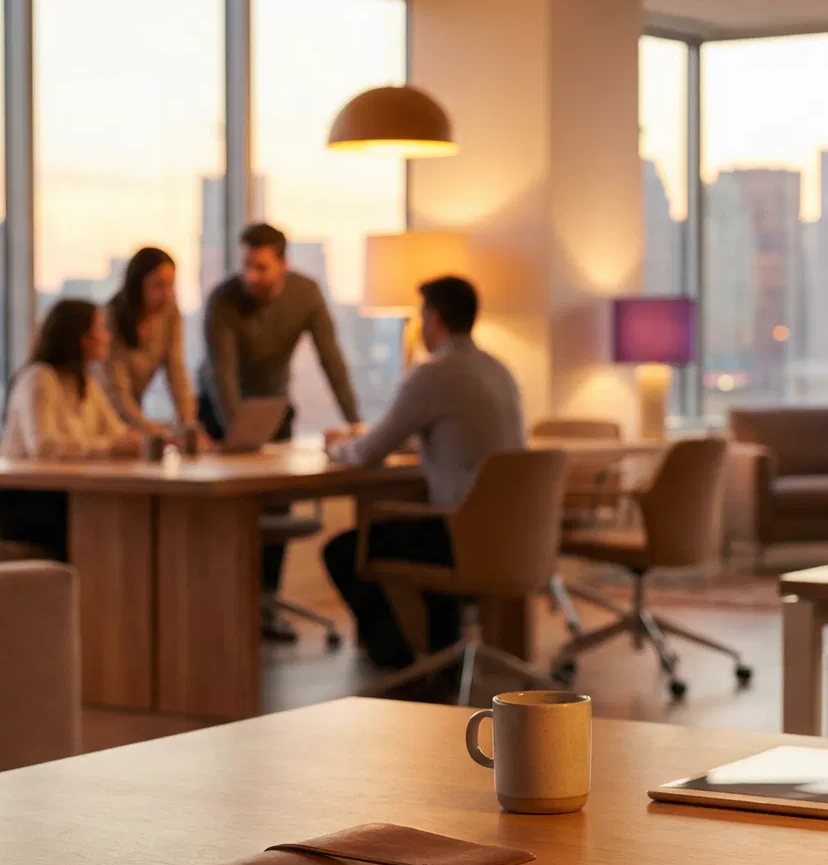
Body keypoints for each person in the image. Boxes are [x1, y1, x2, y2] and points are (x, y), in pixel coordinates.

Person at [321, 276, 525, 695]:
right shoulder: (500, 370)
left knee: (343, 551)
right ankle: (441, 665)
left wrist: (336, 446)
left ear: (434, 318)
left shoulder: (433, 375)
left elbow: (368, 452)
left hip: (460, 537)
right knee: (426, 532)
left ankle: (400, 666)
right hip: (511, 536)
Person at [198, 221, 362, 640]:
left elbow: (331, 360)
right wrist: (240, 438)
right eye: (246, 266)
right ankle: (223, 608)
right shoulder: (223, 300)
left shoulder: (305, 294)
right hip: (221, 412)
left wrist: (355, 423)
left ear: (283, 264)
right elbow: (222, 376)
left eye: (261, 267)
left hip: (274, 410)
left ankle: (266, 604)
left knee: (276, 507)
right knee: (227, 512)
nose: (251, 276)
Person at [0, 299, 143, 560]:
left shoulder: (85, 382)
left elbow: (117, 432)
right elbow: (43, 447)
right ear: (82, 339)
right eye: (101, 328)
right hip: (23, 500)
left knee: (124, 512)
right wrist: (109, 447)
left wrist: (147, 441)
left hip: (64, 494)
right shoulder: (39, 378)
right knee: (104, 519)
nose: (108, 336)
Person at [103, 246, 197, 438]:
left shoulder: (170, 315)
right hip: (105, 419)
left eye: (171, 285)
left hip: (136, 420)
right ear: (137, 286)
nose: (167, 294)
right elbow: (116, 394)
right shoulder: (111, 319)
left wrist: (188, 426)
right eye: (158, 286)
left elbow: (177, 373)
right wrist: (156, 433)